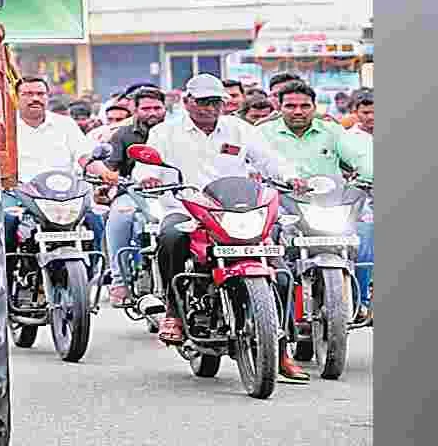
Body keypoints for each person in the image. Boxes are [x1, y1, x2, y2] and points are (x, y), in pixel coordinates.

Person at [133, 74, 309, 381]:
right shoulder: (165, 133)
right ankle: (173, 313)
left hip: (237, 213)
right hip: (186, 209)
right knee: (171, 236)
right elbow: (146, 166)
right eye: (201, 102)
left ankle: (281, 352)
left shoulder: (240, 130)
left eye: (215, 102)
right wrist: (148, 177)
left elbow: (270, 160)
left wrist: (292, 177)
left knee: (279, 272)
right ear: (186, 102)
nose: (208, 108)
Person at [259, 82, 374, 321]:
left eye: (304, 106)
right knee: (272, 247)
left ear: (314, 107)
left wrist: (368, 174)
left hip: (328, 205)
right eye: (290, 106)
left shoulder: (332, 131)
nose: (298, 111)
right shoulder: (263, 133)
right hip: (281, 205)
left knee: (363, 235)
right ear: (279, 107)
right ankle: (278, 315)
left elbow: (359, 155)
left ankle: (360, 301)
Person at [6, 77, 109, 252]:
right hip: (19, 194)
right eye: (28, 94)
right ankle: (7, 276)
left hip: (65, 196)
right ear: (16, 97)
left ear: (47, 97)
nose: (35, 99)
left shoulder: (65, 124)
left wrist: (106, 174)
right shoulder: (7, 126)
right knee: (6, 220)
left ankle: (93, 273)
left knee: (94, 219)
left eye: (40, 94)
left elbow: (84, 157)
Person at [99, 87, 167, 306]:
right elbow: (111, 168)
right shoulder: (123, 134)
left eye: (157, 107)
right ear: (135, 110)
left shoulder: (175, 132)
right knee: (120, 215)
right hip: (132, 192)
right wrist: (110, 180)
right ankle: (119, 280)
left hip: (172, 191)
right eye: (146, 108)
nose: (152, 113)